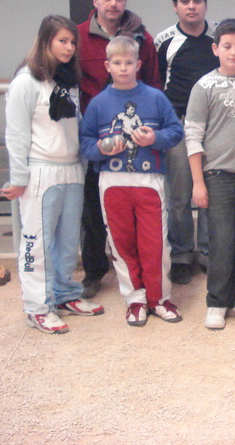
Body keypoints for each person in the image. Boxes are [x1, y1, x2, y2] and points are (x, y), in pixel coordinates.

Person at [3, 15, 105, 334]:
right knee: (38, 243)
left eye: (73, 42)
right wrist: (19, 177)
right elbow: (16, 134)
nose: (70, 47)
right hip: (40, 172)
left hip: (71, 169)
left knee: (67, 242)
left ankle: (64, 295)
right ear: (46, 41)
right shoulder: (25, 82)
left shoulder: (68, 81)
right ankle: (37, 306)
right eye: (63, 40)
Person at [79, 36, 184, 327]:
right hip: (112, 180)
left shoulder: (155, 97)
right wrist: (101, 148)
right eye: (117, 63)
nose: (123, 68)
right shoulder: (99, 103)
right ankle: (135, 299)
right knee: (121, 243)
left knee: (155, 243)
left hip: (149, 179)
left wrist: (155, 138)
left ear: (138, 64)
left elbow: (175, 132)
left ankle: (159, 297)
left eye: (128, 63)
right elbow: (85, 142)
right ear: (107, 65)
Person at [76, 0, 161, 299]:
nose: (113, 3)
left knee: (137, 208)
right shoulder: (79, 38)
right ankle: (95, 271)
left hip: (134, 141)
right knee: (93, 208)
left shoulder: (142, 37)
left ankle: (142, 274)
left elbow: (154, 84)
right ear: (95, 0)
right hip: (95, 138)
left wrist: (147, 130)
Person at [185, 19, 235, 330]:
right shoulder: (204, 86)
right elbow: (192, 135)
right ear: (215, 48)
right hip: (217, 175)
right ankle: (216, 302)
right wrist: (198, 182)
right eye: (227, 46)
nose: (233, 52)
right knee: (221, 240)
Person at [154, 0, 219, 285]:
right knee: (179, 195)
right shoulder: (164, 41)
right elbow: (155, 87)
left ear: (205, 3)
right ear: (174, 6)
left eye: (197, 0)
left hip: (215, 126)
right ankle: (181, 254)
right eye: (184, 1)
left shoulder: (219, 37)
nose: (191, 6)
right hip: (178, 126)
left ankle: (207, 252)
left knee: (210, 194)